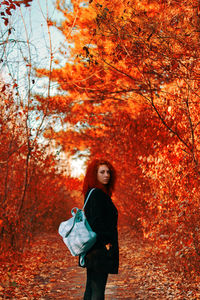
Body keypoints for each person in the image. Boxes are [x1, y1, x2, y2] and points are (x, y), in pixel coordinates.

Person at [80, 159, 119, 300]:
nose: (106, 175)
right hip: (99, 250)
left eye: (108, 172)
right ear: (94, 174)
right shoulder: (98, 195)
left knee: (91, 288)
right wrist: (106, 242)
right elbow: (96, 223)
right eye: (102, 172)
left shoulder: (92, 193)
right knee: (98, 291)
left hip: (92, 249)